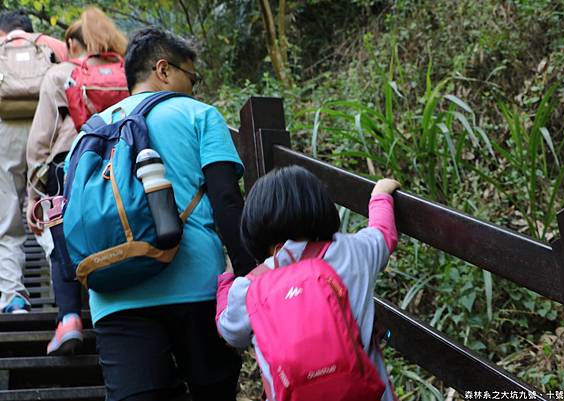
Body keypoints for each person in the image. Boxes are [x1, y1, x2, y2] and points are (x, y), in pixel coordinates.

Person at [89, 28, 254, 401]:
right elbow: (227, 202)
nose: (194, 88)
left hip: (114, 293)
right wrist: (252, 277)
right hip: (194, 288)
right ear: (163, 70)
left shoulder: (92, 130)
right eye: (191, 78)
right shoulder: (200, 115)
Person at [216, 165, 401, 401]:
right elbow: (384, 233)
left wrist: (225, 283)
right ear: (321, 205)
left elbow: (230, 333)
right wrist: (380, 195)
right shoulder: (355, 251)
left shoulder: (249, 287)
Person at [25, 7, 127, 355]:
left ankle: (69, 319)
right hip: (117, 162)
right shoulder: (128, 70)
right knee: (114, 230)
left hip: (67, 163)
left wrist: (33, 192)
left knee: (62, 243)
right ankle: (117, 315)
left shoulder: (60, 74)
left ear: (72, 42)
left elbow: (40, 139)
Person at [0, 10, 67, 314]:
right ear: (29, 30)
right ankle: (65, 293)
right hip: (48, 131)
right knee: (49, 213)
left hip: (5, 135)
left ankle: (13, 298)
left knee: (8, 219)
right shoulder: (51, 45)